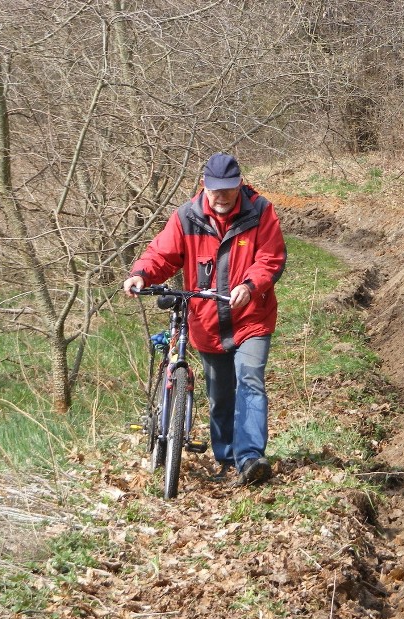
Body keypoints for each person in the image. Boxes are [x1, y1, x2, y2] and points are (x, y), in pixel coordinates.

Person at [123, 153, 287, 486]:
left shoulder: (260, 212)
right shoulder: (187, 217)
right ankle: (226, 459)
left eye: (229, 188)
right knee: (220, 395)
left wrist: (250, 285)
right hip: (207, 323)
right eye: (215, 190)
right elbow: (162, 254)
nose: (222, 196)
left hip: (251, 318)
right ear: (204, 185)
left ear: (239, 183)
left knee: (250, 381)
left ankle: (250, 457)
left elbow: (270, 259)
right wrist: (141, 274)